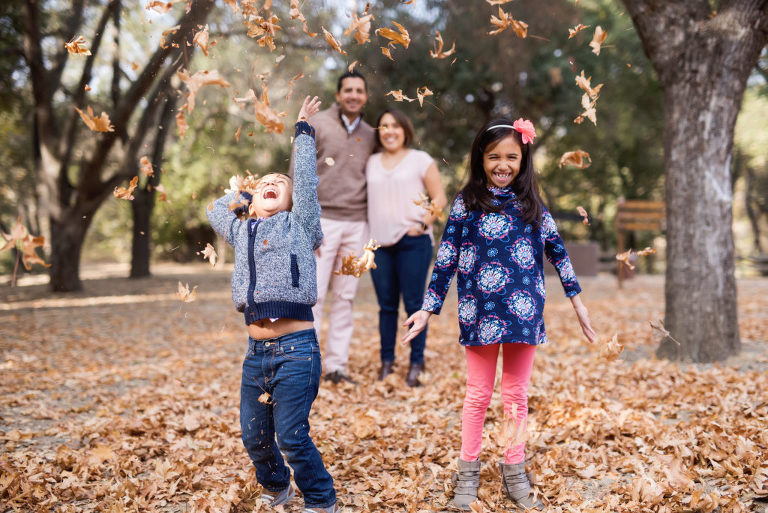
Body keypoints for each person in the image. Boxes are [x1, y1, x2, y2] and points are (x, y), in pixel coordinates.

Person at [402, 118, 597, 510]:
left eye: (512, 157)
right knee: (477, 395)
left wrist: (577, 301)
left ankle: (514, 473)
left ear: (523, 160)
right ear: (481, 158)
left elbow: (558, 251)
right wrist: (428, 307)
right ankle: (468, 474)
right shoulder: (466, 203)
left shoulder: (533, 207)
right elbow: (447, 259)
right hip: (479, 312)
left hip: (524, 311)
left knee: (515, 397)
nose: (503, 164)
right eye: (494, 157)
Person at [206, 96, 340, 513]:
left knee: (291, 435)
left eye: (278, 184)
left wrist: (302, 134)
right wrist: (243, 195)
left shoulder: (301, 224)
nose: (272, 183)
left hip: (297, 352)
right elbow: (215, 210)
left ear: (290, 200)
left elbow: (303, 183)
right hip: (255, 353)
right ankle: (277, 484)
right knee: (253, 435)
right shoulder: (242, 230)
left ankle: (320, 499)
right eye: (265, 182)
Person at [366, 109, 447, 386]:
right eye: (384, 126)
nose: (389, 131)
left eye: (395, 126)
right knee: (386, 307)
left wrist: (422, 225)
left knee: (414, 304)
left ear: (405, 130)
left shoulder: (420, 160)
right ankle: (387, 362)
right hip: (378, 244)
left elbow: (439, 197)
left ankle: (416, 362)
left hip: (413, 241)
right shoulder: (371, 162)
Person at [309, 70, 377, 384]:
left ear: (365, 96)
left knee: (345, 297)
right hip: (322, 222)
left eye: (359, 90)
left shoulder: (372, 134)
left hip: (356, 226)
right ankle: (307, 363)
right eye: (347, 90)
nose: (353, 95)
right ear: (338, 95)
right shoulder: (318, 124)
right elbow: (300, 172)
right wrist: (305, 222)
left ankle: (336, 367)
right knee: (315, 295)